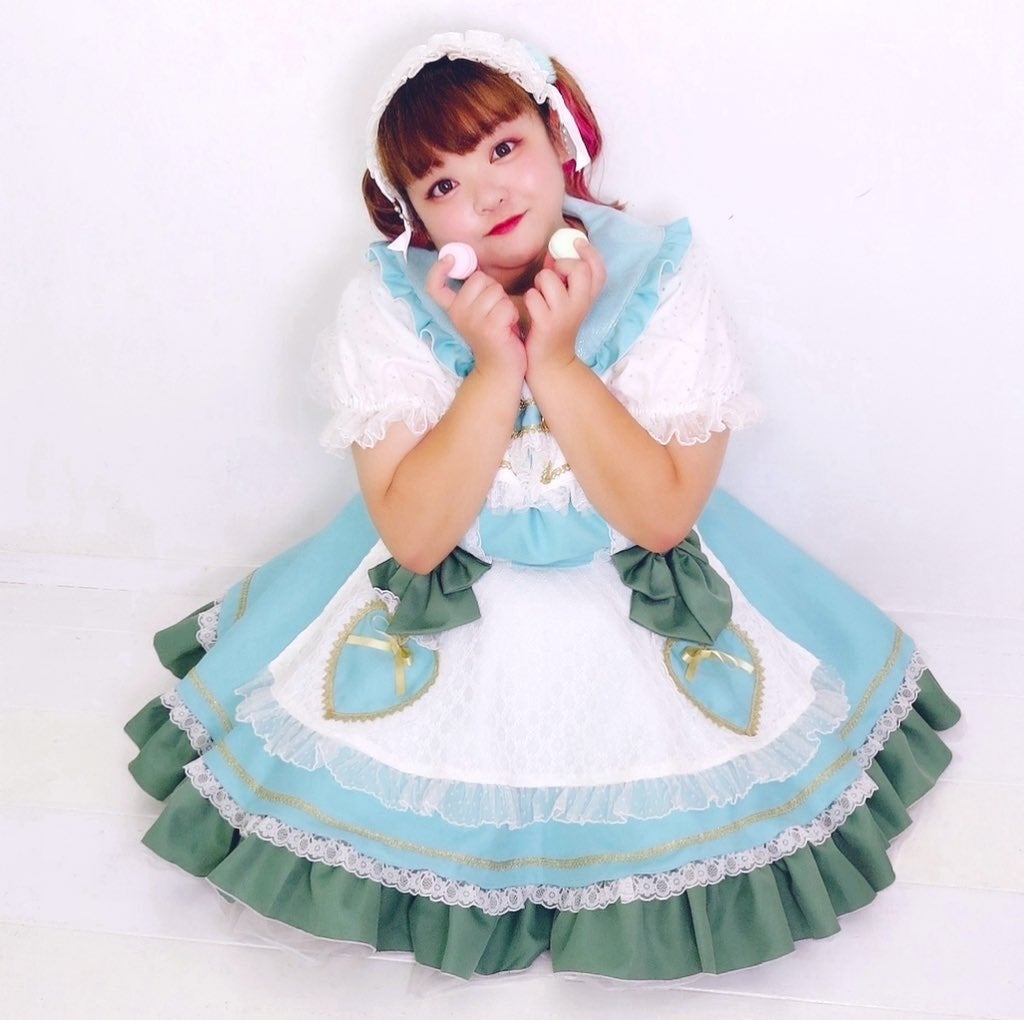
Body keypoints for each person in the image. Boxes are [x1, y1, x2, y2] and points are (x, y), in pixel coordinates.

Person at [125, 30, 960, 981]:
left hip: (628, 561)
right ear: (412, 215)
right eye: (442, 184)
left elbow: (661, 518)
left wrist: (556, 361)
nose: (486, 196)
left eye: (503, 147)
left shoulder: (657, 274)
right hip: (455, 574)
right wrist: (493, 368)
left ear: (559, 137)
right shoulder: (388, 304)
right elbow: (416, 536)